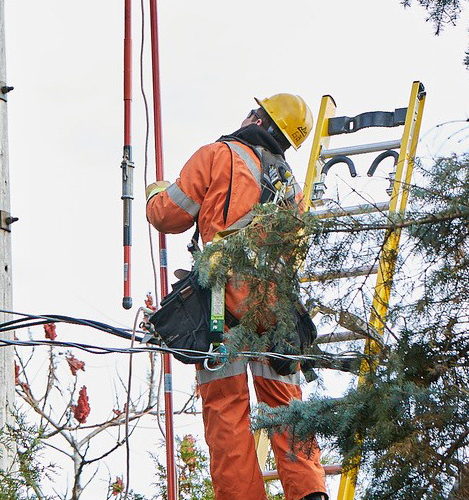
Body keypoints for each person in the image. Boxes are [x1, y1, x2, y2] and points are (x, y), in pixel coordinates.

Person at [145, 94, 328, 500]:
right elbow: (295, 251)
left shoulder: (219, 155)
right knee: (287, 404)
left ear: (257, 119)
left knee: (227, 411)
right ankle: (311, 492)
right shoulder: (292, 188)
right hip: (277, 311)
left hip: (221, 308)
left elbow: (168, 215)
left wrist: (154, 192)